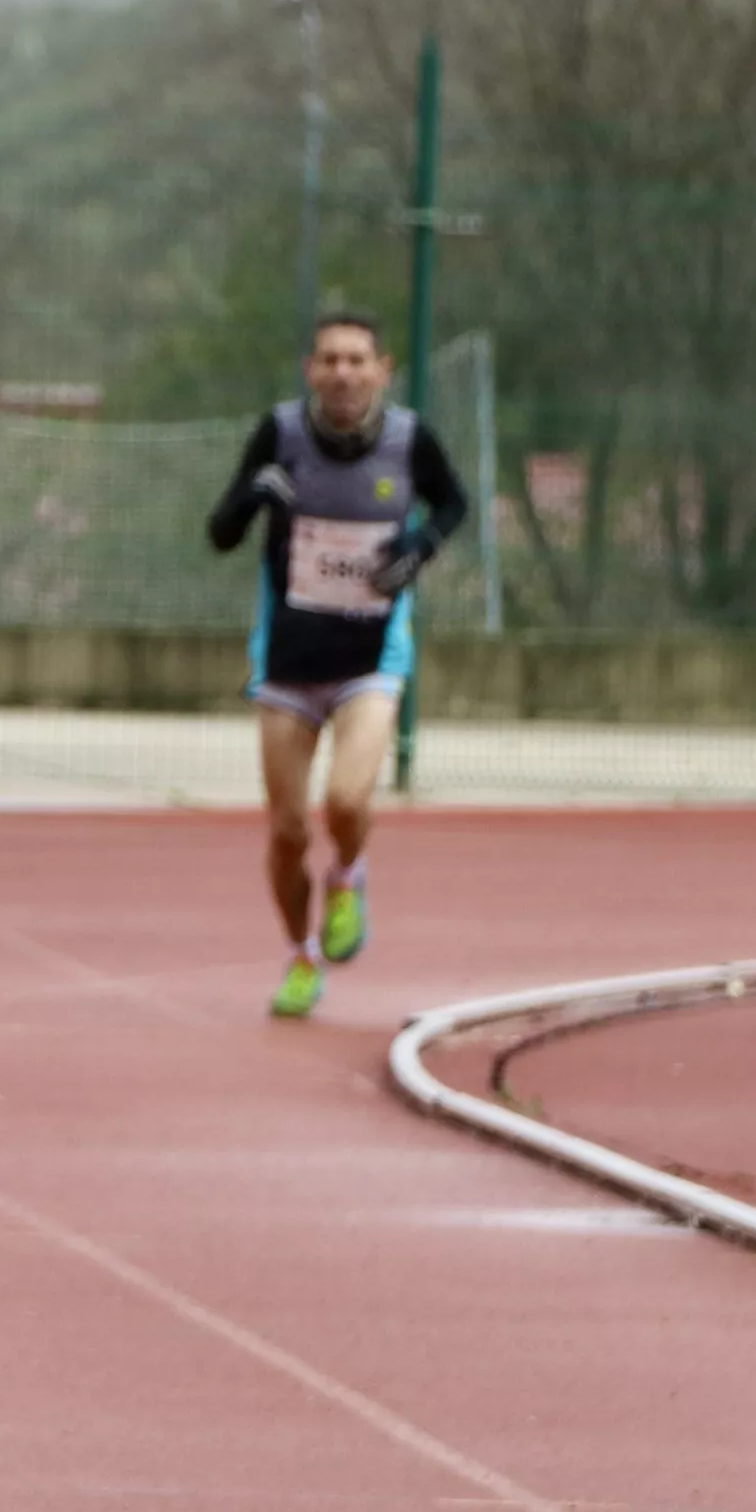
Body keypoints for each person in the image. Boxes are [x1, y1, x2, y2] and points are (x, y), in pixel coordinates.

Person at [202, 309, 470, 1018]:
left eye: (357, 360)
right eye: (329, 360)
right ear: (309, 371)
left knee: (347, 800)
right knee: (288, 832)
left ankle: (348, 877)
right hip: (287, 663)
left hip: (370, 659)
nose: (343, 373)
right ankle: (300, 956)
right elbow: (221, 533)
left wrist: (419, 550)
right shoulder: (282, 434)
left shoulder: (410, 441)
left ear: (383, 370)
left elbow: (455, 503)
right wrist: (254, 494)